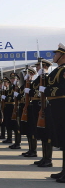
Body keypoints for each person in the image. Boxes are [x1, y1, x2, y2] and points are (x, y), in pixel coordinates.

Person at [41, 43, 65, 183]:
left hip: (62, 108)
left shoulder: (63, 71)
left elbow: (62, 89)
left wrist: (47, 91)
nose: (54, 56)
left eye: (56, 54)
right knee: (61, 140)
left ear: (63, 56)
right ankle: (63, 170)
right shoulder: (57, 70)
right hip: (56, 109)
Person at [1, 76, 14, 143]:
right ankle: (9, 137)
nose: (4, 84)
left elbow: (12, 98)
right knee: (7, 123)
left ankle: (10, 138)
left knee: (11, 124)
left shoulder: (13, 88)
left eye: (5, 82)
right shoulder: (8, 89)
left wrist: (5, 98)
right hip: (7, 108)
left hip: (11, 107)